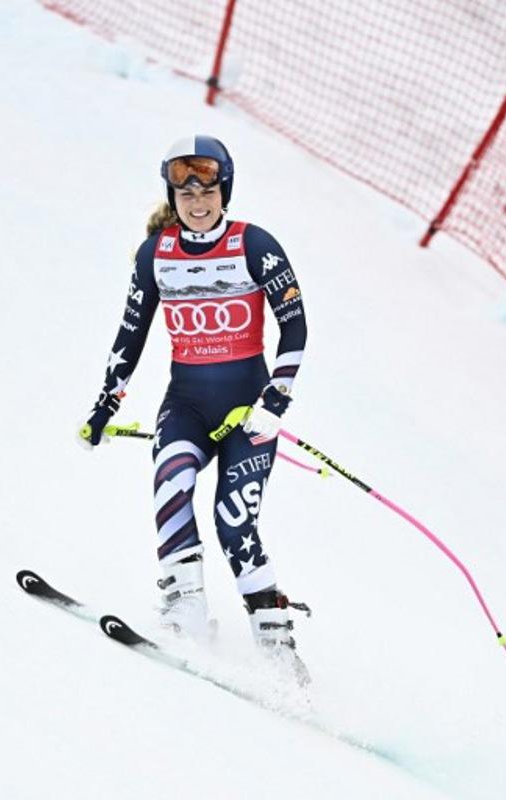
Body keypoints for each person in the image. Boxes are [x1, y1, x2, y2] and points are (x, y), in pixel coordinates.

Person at [77, 135, 310, 677]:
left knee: (234, 523)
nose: (197, 202)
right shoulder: (156, 254)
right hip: (186, 405)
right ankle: (186, 607)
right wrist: (103, 407)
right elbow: (131, 334)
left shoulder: (255, 245)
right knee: (171, 476)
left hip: (248, 414)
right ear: (173, 196)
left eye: (207, 190)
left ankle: (275, 643)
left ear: (224, 191)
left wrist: (276, 396)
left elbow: (295, 323)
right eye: (186, 193)